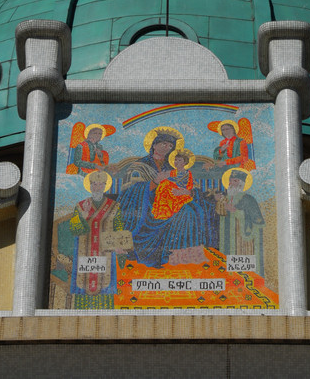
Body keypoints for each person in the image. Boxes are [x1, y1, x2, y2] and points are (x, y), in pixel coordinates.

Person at [118, 129, 218, 267]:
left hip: (174, 200)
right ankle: (168, 255)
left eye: (170, 146)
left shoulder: (174, 166)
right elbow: (129, 192)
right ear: (154, 145)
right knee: (186, 212)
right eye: (164, 144)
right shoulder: (140, 166)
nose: (167, 147)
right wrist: (154, 183)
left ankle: (184, 256)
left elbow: (193, 187)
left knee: (194, 210)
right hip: (147, 205)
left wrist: (188, 193)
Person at [53, 169, 133, 306]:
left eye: (101, 184)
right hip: (84, 251)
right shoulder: (80, 206)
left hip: (106, 252)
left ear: (105, 186)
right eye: (94, 184)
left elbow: (119, 226)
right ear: (90, 186)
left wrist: (120, 246)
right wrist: (83, 216)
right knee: (83, 286)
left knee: (105, 287)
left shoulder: (114, 206)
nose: (97, 187)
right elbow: (75, 229)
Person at [215, 169, 265, 276]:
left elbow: (258, 220)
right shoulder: (225, 199)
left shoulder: (248, 199)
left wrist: (236, 211)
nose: (232, 183)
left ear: (241, 183)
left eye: (235, 181)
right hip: (227, 238)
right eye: (231, 180)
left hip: (244, 241)